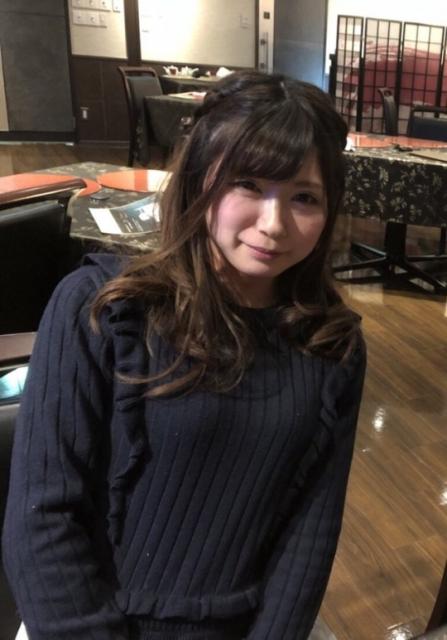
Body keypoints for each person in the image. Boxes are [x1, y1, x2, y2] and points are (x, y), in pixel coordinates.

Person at [2, 70, 366, 640]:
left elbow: (311, 532)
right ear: (199, 179)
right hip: (85, 620)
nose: (274, 225)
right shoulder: (101, 308)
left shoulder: (331, 343)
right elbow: (42, 518)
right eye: (248, 185)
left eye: (304, 197)